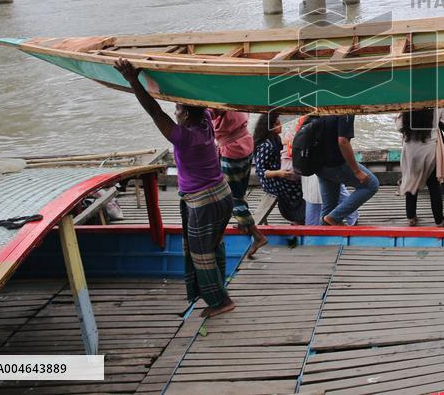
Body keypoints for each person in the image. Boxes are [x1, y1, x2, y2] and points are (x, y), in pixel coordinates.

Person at [113, 59, 235, 318]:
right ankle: (219, 292)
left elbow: (155, 112)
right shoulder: (205, 120)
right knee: (214, 247)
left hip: (204, 201)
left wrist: (134, 81)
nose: (175, 112)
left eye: (177, 107)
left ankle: (220, 302)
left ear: (185, 113)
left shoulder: (186, 136)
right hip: (221, 194)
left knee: (201, 253)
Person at [212, 109, 267, 258]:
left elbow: (207, 116)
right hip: (245, 142)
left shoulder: (216, 101)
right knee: (240, 189)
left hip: (232, 148)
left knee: (232, 197)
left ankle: (257, 235)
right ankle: (243, 222)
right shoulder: (233, 95)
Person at [313, 114, 379, 225]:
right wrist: (357, 171)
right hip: (335, 163)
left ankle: (325, 235)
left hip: (318, 165)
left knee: (328, 207)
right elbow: (343, 141)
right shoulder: (345, 110)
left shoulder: (323, 107)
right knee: (371, 184)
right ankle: (334, 218)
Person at [397, 107, 444, 227]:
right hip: (430, 148)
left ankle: (411, 217)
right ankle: (439, 220)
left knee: (411, 181)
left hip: (410, 149)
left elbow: (399, 126)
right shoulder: (439, 102)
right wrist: (436, 123)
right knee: (434, 186)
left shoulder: (408, 102)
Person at [251, 111, 306, 225]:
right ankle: (298, 218)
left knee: (301, 182)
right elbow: (260, 171)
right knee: (298, 187)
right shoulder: (265, 145)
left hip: (280, 173)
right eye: (276, 124)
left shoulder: (275, 138)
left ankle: (300, 217)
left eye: (279, 123)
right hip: (272, 180)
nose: (280, 125)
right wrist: (279, 173)